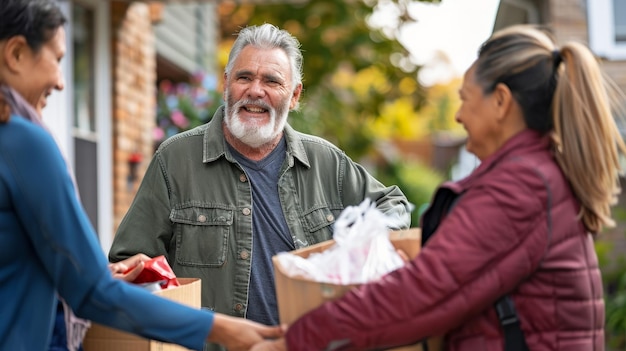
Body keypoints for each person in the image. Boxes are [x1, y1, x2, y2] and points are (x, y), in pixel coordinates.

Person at [250, 24, 626, 351]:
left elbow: (422, 294)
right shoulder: (534, 175)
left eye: (464, 99)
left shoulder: (519, 188)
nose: (459, 115)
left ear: (500, 102)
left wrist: (300, 337)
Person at [109, 22, 411, 350]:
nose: (255, 90)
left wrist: (357, 249)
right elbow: (133, 261)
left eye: (271, 81)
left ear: (294, 95)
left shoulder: (326, 162)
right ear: (226, 84)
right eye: (244, 77)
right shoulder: (176, 159)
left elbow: (391, 205)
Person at [0, 1, 283, 350]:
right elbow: (92, 293)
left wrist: (99, 274)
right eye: (58, 59)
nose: (61, 82)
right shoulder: (22, 142)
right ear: (15, 53)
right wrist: (224, 329)